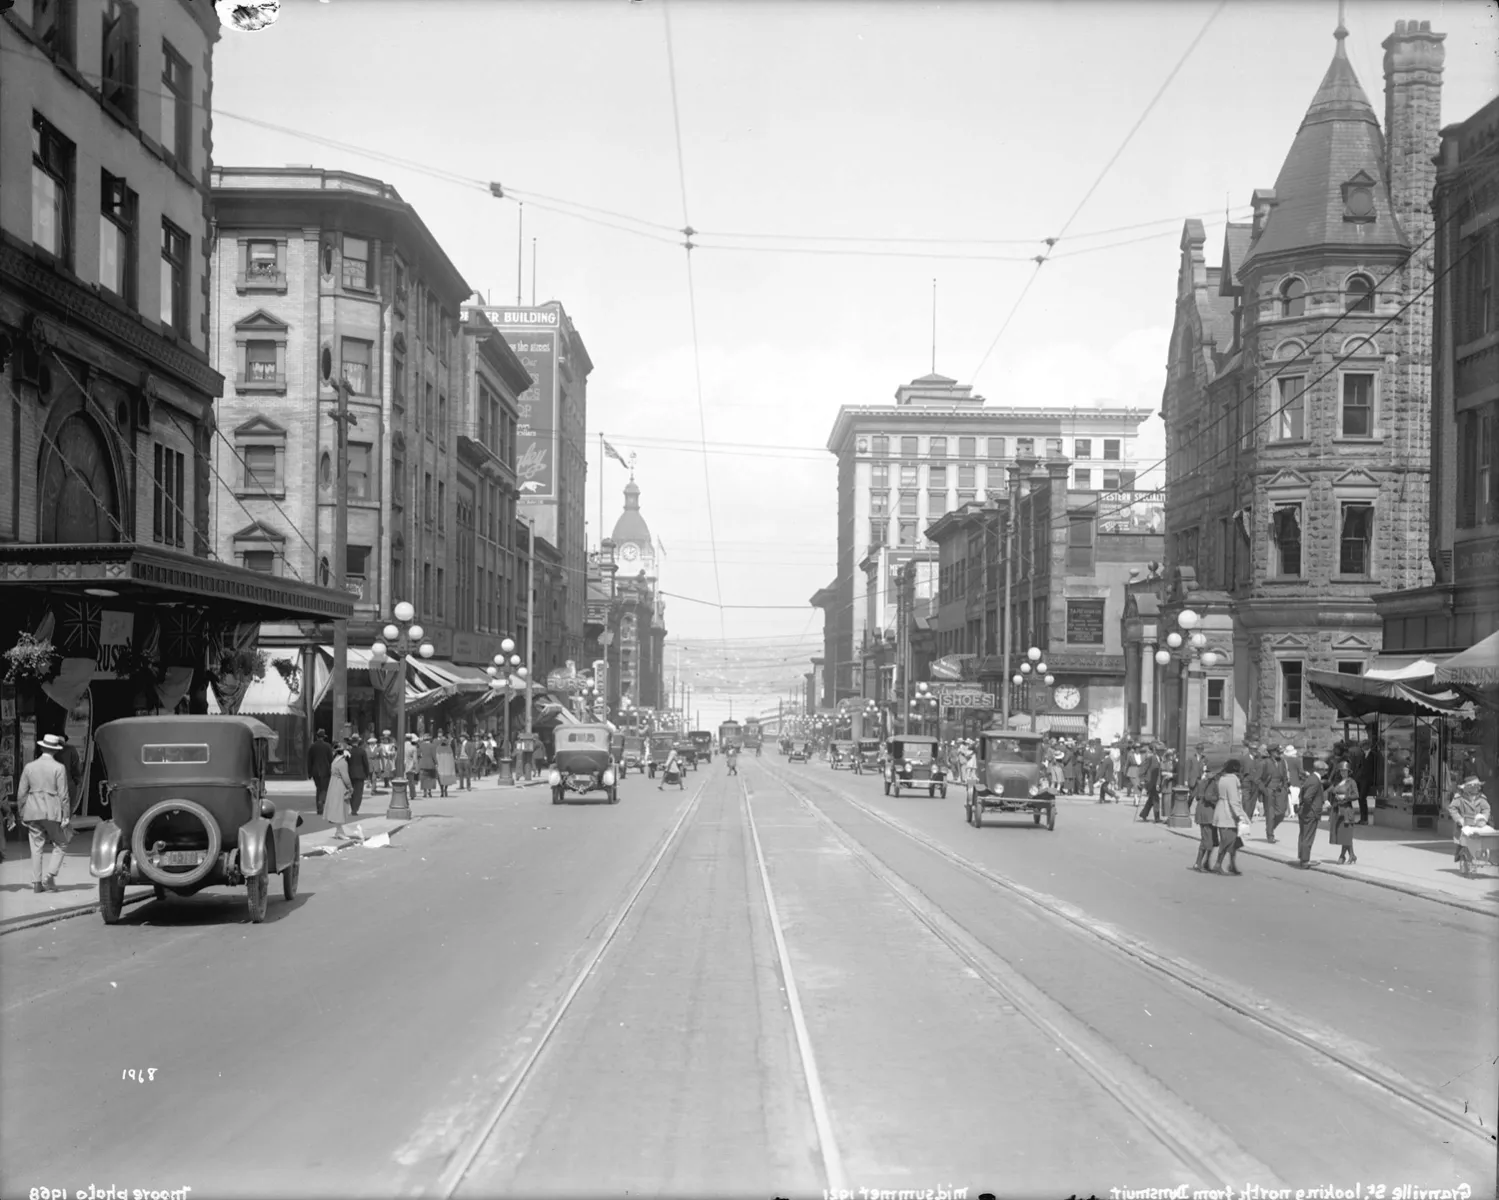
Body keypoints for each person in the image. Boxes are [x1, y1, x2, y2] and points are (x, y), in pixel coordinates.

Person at [17, 734, 71, 893]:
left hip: (32, 810)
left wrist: (22, 813)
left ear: (41, 748)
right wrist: (66, 815)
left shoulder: (29, 767)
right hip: (51, 811)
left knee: (36, 847)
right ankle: (50, 875)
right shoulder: (59, 768)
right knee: (61, 843)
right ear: (55, 751)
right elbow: (64, 794)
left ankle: (36, 883)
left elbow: (21, 794)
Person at [1212, 758, 1249, 875]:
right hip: (1228, 813)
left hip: (1221, 809)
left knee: (1233, 841)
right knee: (1228, 841)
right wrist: (1240, 815)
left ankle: (1231, 864)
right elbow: (1234, 800)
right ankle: (1218, 864)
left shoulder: (1222, 778)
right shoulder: (1233, 780)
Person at [1448, 776, 1492, 867]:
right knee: (1464, 842)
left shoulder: (1481, 798)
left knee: (1482, 840)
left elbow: (1486, 809)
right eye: (1474, 786)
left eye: (1477, 786)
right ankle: (1463, 857)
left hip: (1478, 825)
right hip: (1464, 824)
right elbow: (1452, 808)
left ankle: (1484, 856)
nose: (1477, 788)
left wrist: (1484, 818)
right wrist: (1459, 819)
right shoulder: (1459, 798)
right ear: (1467, 787)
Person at [1294, 759, 1328, 868]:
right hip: (1310, 813)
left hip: (1306, 811)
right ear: (1321, 770)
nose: (1326, 772)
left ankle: (1302, 857)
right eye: (1325, 770)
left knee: (1303, 835)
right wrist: (1311, 809)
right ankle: (1305, 860)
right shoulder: (1315, 780)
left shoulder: (1311, 779)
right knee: (1308, 837)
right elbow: (1307, 797)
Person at [325, 743, 360, 842]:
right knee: (340, 808)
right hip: (340, 785)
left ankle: (338, 830)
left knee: (336, 808)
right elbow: (345, 777)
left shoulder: (335, 761)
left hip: (333, 784)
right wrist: (350, 787)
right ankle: (340, 832)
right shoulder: (343, 763)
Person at [1191, 761, 1222, 872]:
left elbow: (1198, 797)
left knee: (1212, 840)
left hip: (1208, 813)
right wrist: (1219, 799)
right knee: (1206, 840)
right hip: (1207, 814)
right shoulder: (1210, 783)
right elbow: (1208, 797)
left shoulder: (1206, 782)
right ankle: (1198, 863)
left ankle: (1206, 862)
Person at [1330, 761, 1359, 865]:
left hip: (1347, 811)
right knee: (1342, 834)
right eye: (1341, 771)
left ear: (1348, 772)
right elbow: (1331, 791)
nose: (1343, 773)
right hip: (1338, 810)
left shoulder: (1351, 782)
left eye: (1345, 771)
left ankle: (1343, 856)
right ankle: (1351, 855)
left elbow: (1356, 795)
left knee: (1346, 834)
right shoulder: (1337, 782)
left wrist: (1345, 797)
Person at [1263, 743, 1289, 843]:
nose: (1279, 753)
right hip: (1269, 790)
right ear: (1272, 753)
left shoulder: (1282, 761)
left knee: (1281, 813)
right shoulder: (1265, 762)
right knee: (1270, 814)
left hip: (1280, 790)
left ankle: (1270, 827)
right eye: (1277, 751)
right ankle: (1270, 834)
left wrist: (1285, 787)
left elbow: (1285, 776)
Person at [306, 729, 334, 817]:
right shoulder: (327, 746)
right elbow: (331, 760)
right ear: (323, 737)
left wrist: (309, 772)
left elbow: (309, 760)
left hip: (315, 771)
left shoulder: (312, 747)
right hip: (325, 770)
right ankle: (321, 802)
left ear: (317, 737)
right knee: (324, 788)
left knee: (318, 787)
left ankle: (319, 807)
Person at [1138, 742, 1164, 822]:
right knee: (1156, 800)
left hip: (1156, 782)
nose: (1162, 752)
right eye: (1160, 751)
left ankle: (1143, 814)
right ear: (1156, 751)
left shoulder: (1160, 759)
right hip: (1150, 782)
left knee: (1151, 800)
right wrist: (1142, 781)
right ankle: (1157, 818)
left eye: (1162, 751)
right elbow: (1143, 769)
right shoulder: (1151, 758)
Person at [346, 734, 370, 816]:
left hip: (350, 774)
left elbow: (346, 763)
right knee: (358, 793)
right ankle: (355, 809)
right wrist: (367, 774)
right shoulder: (362, 751)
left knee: (351, 791)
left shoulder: (348, 752)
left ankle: (352, 806)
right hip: (360, 774)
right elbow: (366, 764)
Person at [417, 732, 438, 797]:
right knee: (431, 778)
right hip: (431, 763)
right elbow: (434, 755)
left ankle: (424, 791)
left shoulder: (421, 745)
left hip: (423, 763)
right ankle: (429, 791)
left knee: (423, 778)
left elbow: (418, 754)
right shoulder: (433, 746)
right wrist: (436, 763)